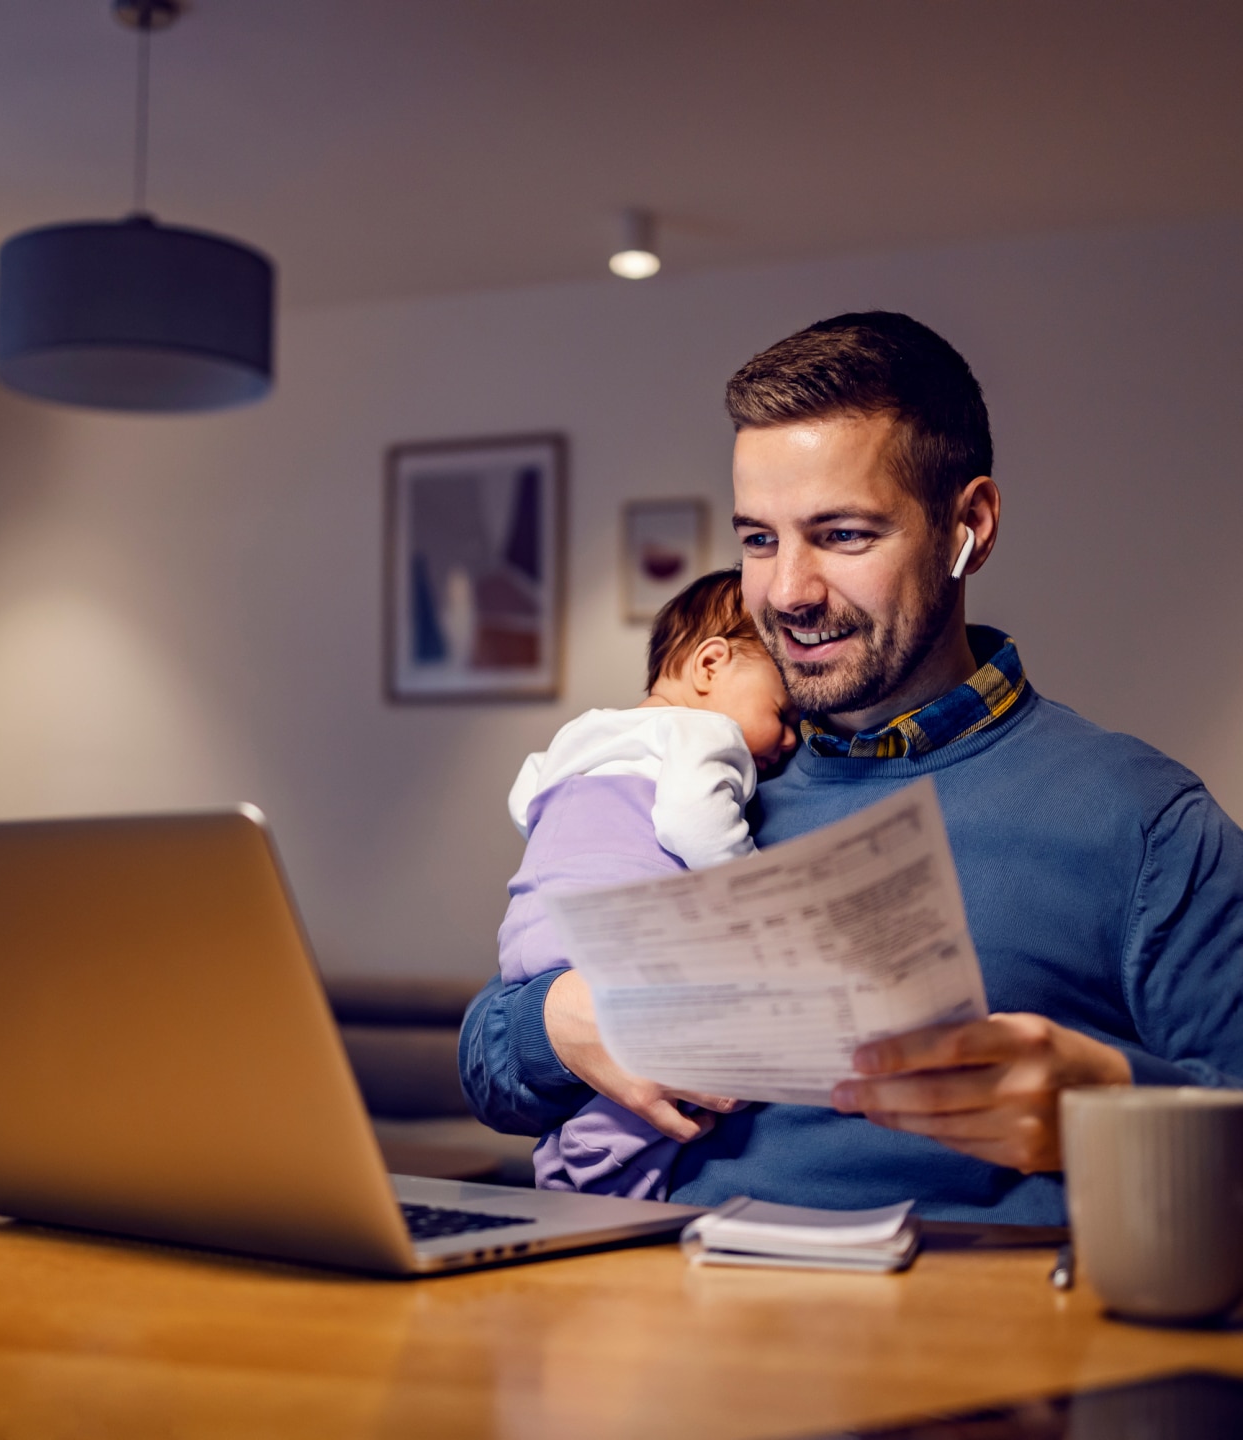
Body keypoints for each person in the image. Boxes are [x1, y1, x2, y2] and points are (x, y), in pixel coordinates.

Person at [460, 310, 1243, 1225]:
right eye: (759, 539)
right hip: (667, 1319)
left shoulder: (1140, 819)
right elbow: (490, 1066)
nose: (787, 592)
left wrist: (1106, 1103)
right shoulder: (712, 776)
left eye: (843, 535)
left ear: (970, 528)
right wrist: (553, 1025)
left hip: (964, 1336)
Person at [500, 568, 795, 1198]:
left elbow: (526, 797)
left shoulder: (581, 731)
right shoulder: (707, 734)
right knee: (745, 1037)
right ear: (711, 665)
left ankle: (561, 1157)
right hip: (620, 931)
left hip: (532, 934)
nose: (792, 741)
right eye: (783, 712)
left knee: (601, 1063)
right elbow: (693, 821)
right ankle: (608, 1139)